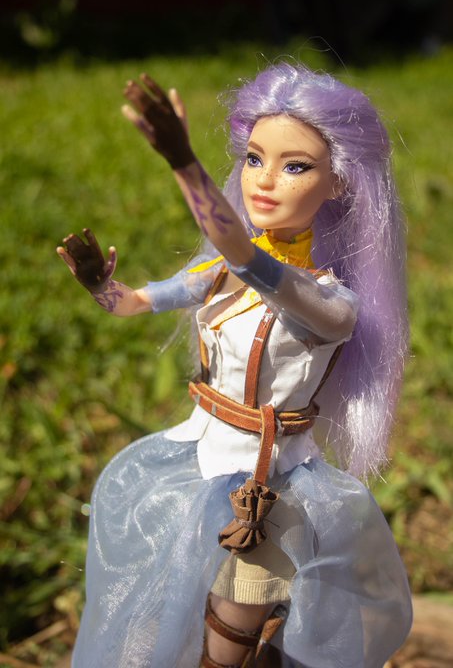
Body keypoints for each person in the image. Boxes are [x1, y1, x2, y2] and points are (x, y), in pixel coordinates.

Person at [57, 63, 412, 668]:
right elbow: (134, 302)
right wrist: (99, 286)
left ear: (339, 183)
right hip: (198, 465)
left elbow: (246, 256)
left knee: (229, 635)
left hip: (264, 489)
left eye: (295, 166)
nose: (264, 180)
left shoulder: (329, 304)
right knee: (169, 609)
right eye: (253, 158)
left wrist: (183, 164)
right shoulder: (219, 275)